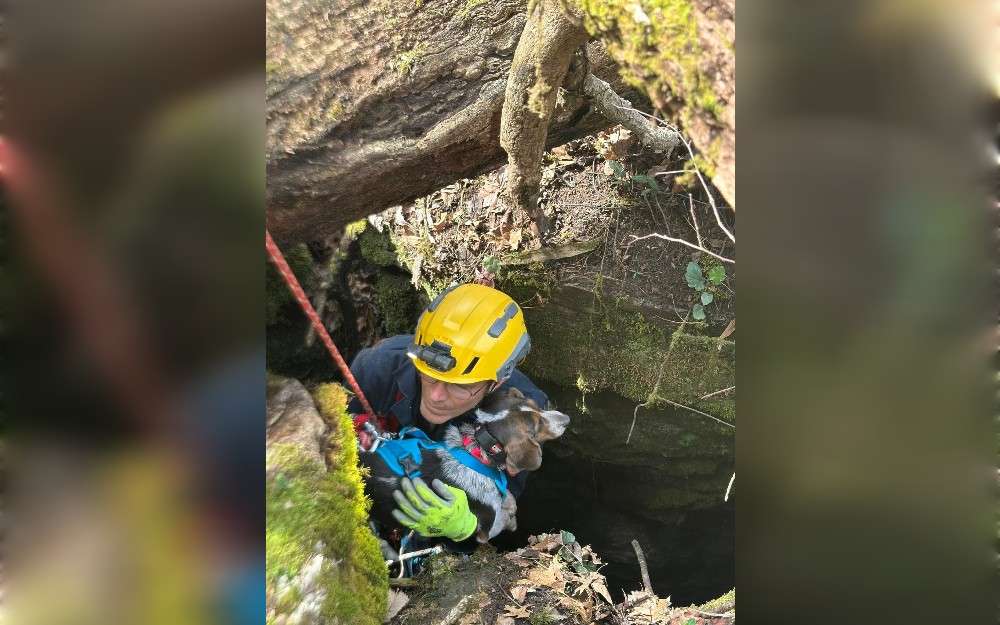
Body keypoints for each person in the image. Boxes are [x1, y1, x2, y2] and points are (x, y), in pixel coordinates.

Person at [347, 283, 549, 549]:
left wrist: (464, 528)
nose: (436, 396)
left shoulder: (517, 418)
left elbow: (498, 507)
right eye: (429, 375)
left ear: (496, 383)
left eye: (460, 386)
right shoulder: (379, 367)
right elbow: (335, 448)